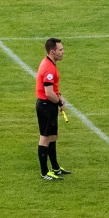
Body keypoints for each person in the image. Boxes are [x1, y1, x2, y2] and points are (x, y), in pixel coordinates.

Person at [36, 37, 68, 180]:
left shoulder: (49, 63)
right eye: (60, 50)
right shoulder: (48, 68)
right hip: (45, 106)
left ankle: (55, 167)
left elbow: (53, 89)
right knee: (45, 138)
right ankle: (44, 172)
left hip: (48, 105)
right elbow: (48, 93)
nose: (63, 52)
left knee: (53, 136)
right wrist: (60, 103)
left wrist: (59, 96)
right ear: (52, 52)